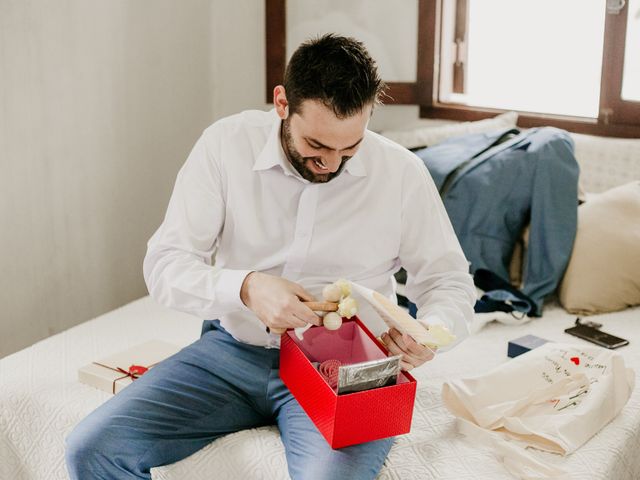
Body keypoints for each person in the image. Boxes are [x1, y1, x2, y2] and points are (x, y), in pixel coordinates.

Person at [65, 34, 475, 480]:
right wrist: (246, 286)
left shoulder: (401, 174)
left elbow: (447, 280)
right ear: (282, 103)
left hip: (350, 372)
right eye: (317, 146)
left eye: (350, 148)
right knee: (92, 448)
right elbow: (165, 265)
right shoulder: (224, 146)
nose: (332, 164)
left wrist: (431, 333)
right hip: (230, 353)